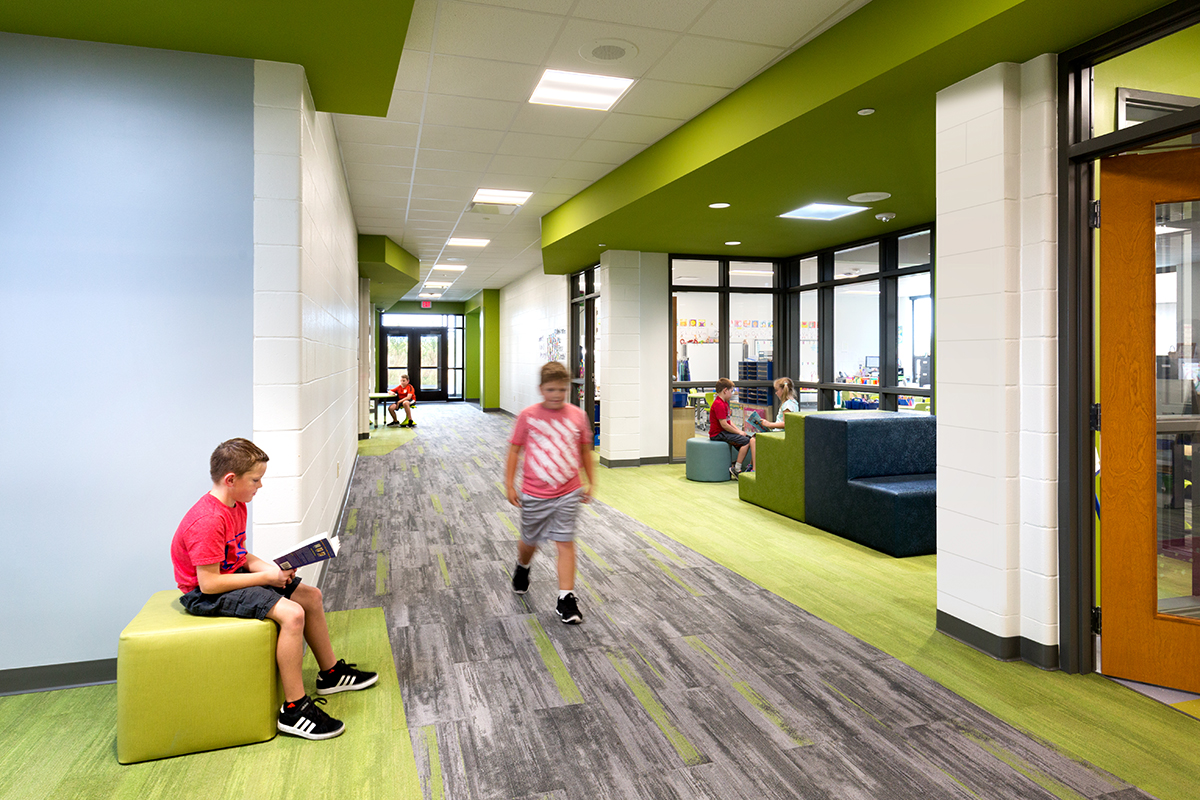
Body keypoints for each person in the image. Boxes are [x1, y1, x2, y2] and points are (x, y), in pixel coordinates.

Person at [170, 438, 378, 741]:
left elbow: (238, 556)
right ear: (231, 479)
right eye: (255, 480)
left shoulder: (235, 505)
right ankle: (295, 709)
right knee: (292, 615)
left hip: (229, 576)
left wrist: (271, 570)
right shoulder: (208, 520)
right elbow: (209, 583)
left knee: (310, 596)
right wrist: (267, 579)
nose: (260, 486)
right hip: (203, 595)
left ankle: (331, 674)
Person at [505, 361, 596, 625]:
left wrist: (590, 482)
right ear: (541, 389)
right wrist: (510, 484)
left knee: (565, 542)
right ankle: (523, 567)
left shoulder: (577, 416)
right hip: (534, 492)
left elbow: (584, 451)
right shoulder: (528, 416)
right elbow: (514, 450)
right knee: (529, 540)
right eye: (551, 389)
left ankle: (565, 598)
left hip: (568, 491)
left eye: (562, 389)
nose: (556, 395)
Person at [709, 377, 755, 477]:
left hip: (723, 432)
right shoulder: (719, 404)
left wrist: (739, 430)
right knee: (746, 441)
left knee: (748, 439)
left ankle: (745, 465)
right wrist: (738, 433)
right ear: (725, 390)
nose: (732, 393)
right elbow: (724, 425)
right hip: (718, 434)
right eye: (731, 391)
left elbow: (729, 421)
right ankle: (737, 468)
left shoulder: (725, 403)